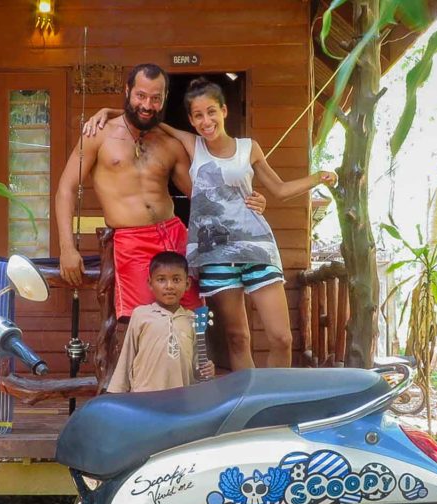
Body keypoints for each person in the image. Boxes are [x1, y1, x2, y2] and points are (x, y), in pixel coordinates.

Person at [84, 78, 337, 369]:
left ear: (225, 111)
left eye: (212, 112)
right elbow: (146, 120)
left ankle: (271, 401)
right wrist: (108, 111)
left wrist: (318, 177)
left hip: (256, 248)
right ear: (191, 120)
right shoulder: (192, 146)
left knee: (281, 338)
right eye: (198, 115)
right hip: (214, 254)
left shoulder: (248, 147)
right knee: (237, 337)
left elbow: (279, 190)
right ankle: (249, 404)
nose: (206, 120)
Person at [55, 64, 266, 321]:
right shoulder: (97, 134)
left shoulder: (169, 143)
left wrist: (250, 201)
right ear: (127, 91)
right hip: (132, 240)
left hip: (175, 236)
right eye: (140, 96)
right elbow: (65, 189)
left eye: (156, 98)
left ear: (164, 98)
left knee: (191, 319)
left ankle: (192, 363)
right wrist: (67, 248)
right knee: (145, 323)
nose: (147, 104)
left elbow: (203, 196)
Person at [108, 251, 216, 393]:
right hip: (144, 398)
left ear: (187, 284)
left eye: (176, 280)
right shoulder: (141, 315)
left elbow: (197, 367)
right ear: (150, 283)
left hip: (181, 399)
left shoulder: (193, 320)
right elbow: (127, 356)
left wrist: (206, 368)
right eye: (161, 280)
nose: (169, 286)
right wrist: (117, 391)